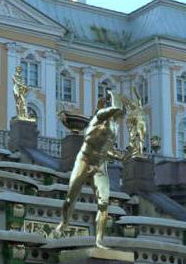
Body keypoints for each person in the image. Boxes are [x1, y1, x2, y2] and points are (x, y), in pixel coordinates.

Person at [54, 89, 135, 248]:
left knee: (104, 203)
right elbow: (115, 108)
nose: (120, 116)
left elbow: (108, 149)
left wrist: (123, 156)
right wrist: (114, 95)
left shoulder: (114, 127)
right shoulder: (97, 118)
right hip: (84, 160)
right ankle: (63, 223)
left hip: (100, 165)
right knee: (70, 197)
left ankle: (99, 240)